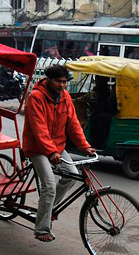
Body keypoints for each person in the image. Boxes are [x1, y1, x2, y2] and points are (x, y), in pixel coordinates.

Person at [23, 65, 95, 242]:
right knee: (48, 185)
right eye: (58, 81)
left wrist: (84, 146)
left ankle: (47, 210)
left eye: (64, 82)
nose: (62, 85)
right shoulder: (36, 98)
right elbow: (39, 129)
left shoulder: (65, 97)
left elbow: (73, 124)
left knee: (71, 175)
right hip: (37, 148)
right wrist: (51, 151)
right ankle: (41, 229)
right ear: (48, 80)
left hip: (57, 147)